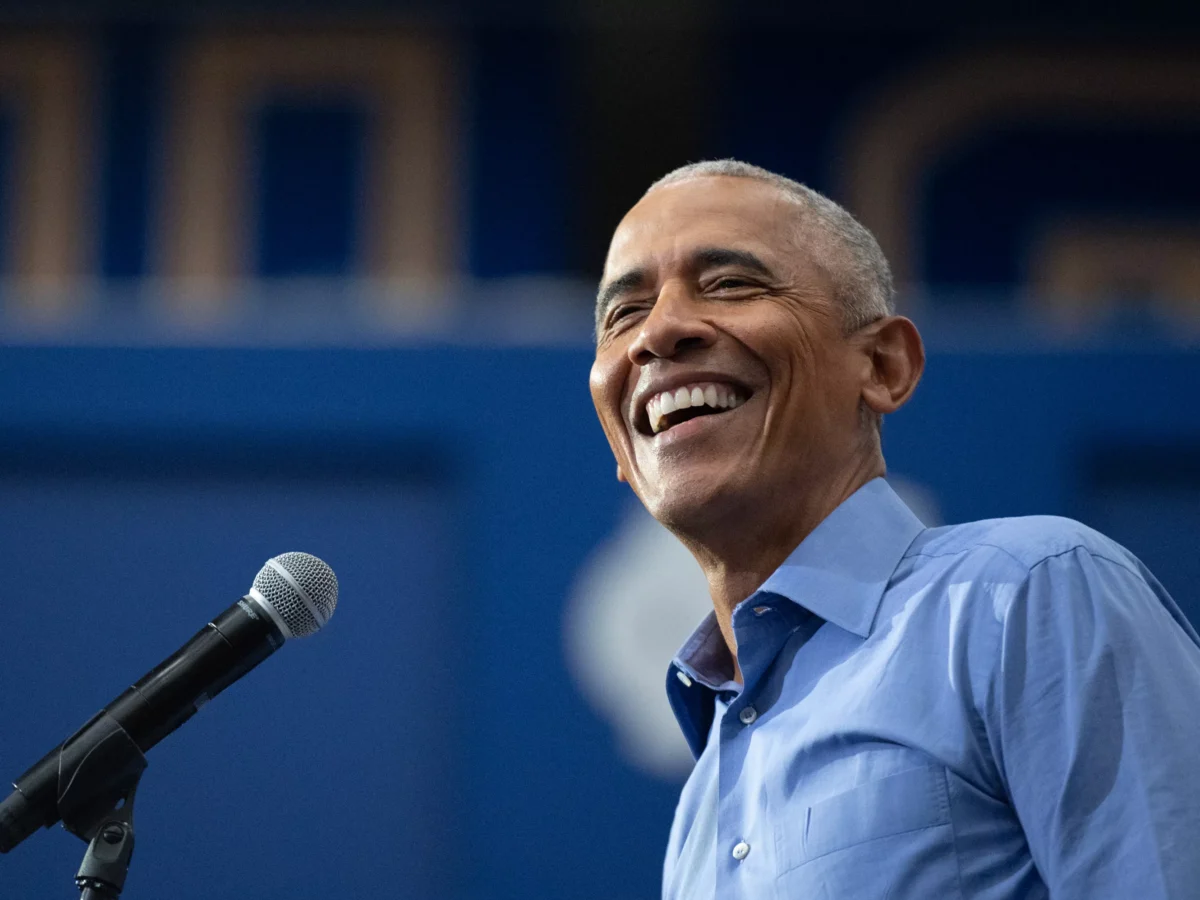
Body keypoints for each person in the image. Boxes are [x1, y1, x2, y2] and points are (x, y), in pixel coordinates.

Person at [588, 159, 1200, 899]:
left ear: (883, 365)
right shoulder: (702, 802)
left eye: (730, 284)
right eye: (624, 314)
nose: (658, 333)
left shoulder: (1025, 596)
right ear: (619, 444)